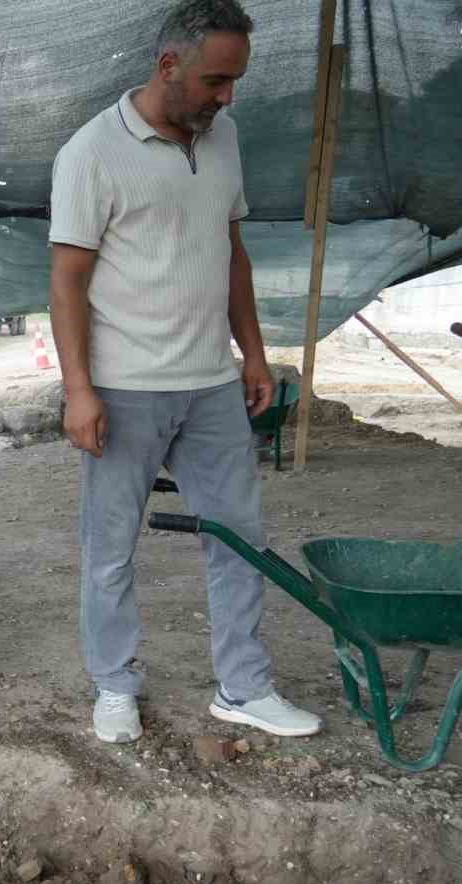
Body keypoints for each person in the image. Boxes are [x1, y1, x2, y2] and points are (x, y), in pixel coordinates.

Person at [48, 0, 320, 745]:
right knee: (111, 546)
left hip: (208, 385)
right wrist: (79, 389)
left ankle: (244, 684)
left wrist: (253, 353)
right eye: (215, 80)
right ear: (169, 65)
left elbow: (230, 252)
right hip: (124, 389)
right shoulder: (92, 152)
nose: (226, 96)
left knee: (237, 535)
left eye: (234, 81)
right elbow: (67, 279)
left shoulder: (222, 137)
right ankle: (115, 683)